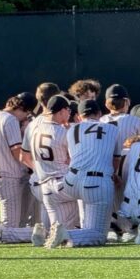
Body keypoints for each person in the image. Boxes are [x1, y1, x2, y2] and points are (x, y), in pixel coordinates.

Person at [45, 100, 122, 248]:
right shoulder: (112, 128)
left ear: (79, 116)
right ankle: (67, 233)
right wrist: (113, 176)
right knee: (99, 235)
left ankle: (60, 228)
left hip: (70, 181)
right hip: (96, 182)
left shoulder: (71, 129)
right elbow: (115, 160)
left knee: (84, 196)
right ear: (100, 114)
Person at [100, 84, 140, 241]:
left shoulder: (101, 121)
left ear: (107, 103)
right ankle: (130, 227)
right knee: (129, 196)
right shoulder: (134, 120)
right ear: (127, 102)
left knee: (109, 199)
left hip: (106, 165)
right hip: (128, 164)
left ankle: (112, 227)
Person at [0, 92, 37, 228]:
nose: (25, 118)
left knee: (15, 225)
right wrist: (35, 168)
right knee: (10, 229)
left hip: (0, 174)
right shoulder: (11, 120)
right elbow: (17, 152)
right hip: (9, 176)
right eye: (27, 114)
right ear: (24, 109)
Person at [27, 95, 78, 229]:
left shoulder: (35, 129)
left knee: (50, 229)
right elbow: (75, 160)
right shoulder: (63, 132)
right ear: (61, 111)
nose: (69, 113)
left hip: (43, 185)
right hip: (62, 184)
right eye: (69, 110)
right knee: (91, 193)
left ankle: (38, 232)